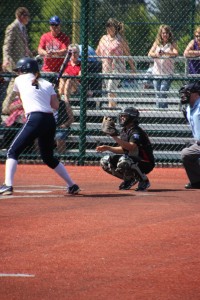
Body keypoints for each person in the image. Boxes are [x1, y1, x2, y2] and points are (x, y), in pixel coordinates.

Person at [0, 57, 80, 196]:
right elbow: (55, 106)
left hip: (35, 118)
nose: (18, 73)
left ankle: (8, 185)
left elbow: (22, 98)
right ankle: (72, 185)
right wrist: (47, 93)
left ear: (24, 70)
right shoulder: (47, 84)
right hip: (49, 120)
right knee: (48, 157)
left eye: (19, 70)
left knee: (12, 151)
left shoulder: (19, 80)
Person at [96, 107, 155, 191]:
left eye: (125, 116)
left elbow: (131, 147)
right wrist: (108, 148)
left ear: (132, 118)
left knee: (124, 160)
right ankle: (129, 179)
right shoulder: (124, 130)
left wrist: (114, 136)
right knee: (105, 161)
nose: (122, 118)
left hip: (145, 162)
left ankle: (144, 180)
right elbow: (125, 149)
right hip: (133, 159)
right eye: (122, 116)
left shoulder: (136, 131)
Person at [96, 18, 135, 108]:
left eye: (111, 27)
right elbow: (97, 52)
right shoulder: (103, 38)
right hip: (106, 67)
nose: (109, 29)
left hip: (118, 67)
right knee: (110, 91)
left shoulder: (120, 39)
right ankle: (113, 108)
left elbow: (127, 53)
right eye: (108, 27)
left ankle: (111, 110)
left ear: (115, 28)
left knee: (110, 88)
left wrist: (133, 67)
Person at [1, 7, 32, 116]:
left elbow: (24, 45)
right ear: (22, 16)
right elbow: (6, 46)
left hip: (22, 62)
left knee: (16, 85)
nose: (28, 19)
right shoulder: (12, 27)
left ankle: (10, 106)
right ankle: (6, 107)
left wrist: (29, 53)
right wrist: (5, 59)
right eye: (27, 16)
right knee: (15, 83)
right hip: (14, 62)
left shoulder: (22, 28)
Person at [148, 24, 178, 109]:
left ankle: (164, 111)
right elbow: (150, 53)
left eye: (167, 33)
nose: (165, 35)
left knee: (163, 91)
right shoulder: (157, 43)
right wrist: (157, 54)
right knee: (158, 93)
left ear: (169, 34)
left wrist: (166, 53)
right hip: (157, 72)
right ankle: (159, 112)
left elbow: (176, 53)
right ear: (160, 34)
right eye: (163, 33)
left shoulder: (172, 44)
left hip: (167, 73)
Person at [179, 81, 200, 189]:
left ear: (197, 93)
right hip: (198, 144)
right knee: (186, 154)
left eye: (187, 93)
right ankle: (197, 181)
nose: (184, 95)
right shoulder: (188, 108)